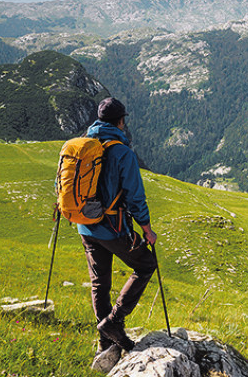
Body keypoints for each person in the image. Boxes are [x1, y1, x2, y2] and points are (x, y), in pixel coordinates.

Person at [76, 97, 157, 356]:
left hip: (85, 226)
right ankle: (114, 321)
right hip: (112, 227)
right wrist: (146, 229)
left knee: (100, 282)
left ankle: (106, 343)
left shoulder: (82, 145)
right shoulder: (122, 153)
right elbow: (135, 197)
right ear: (121, 121)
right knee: (145, 265)